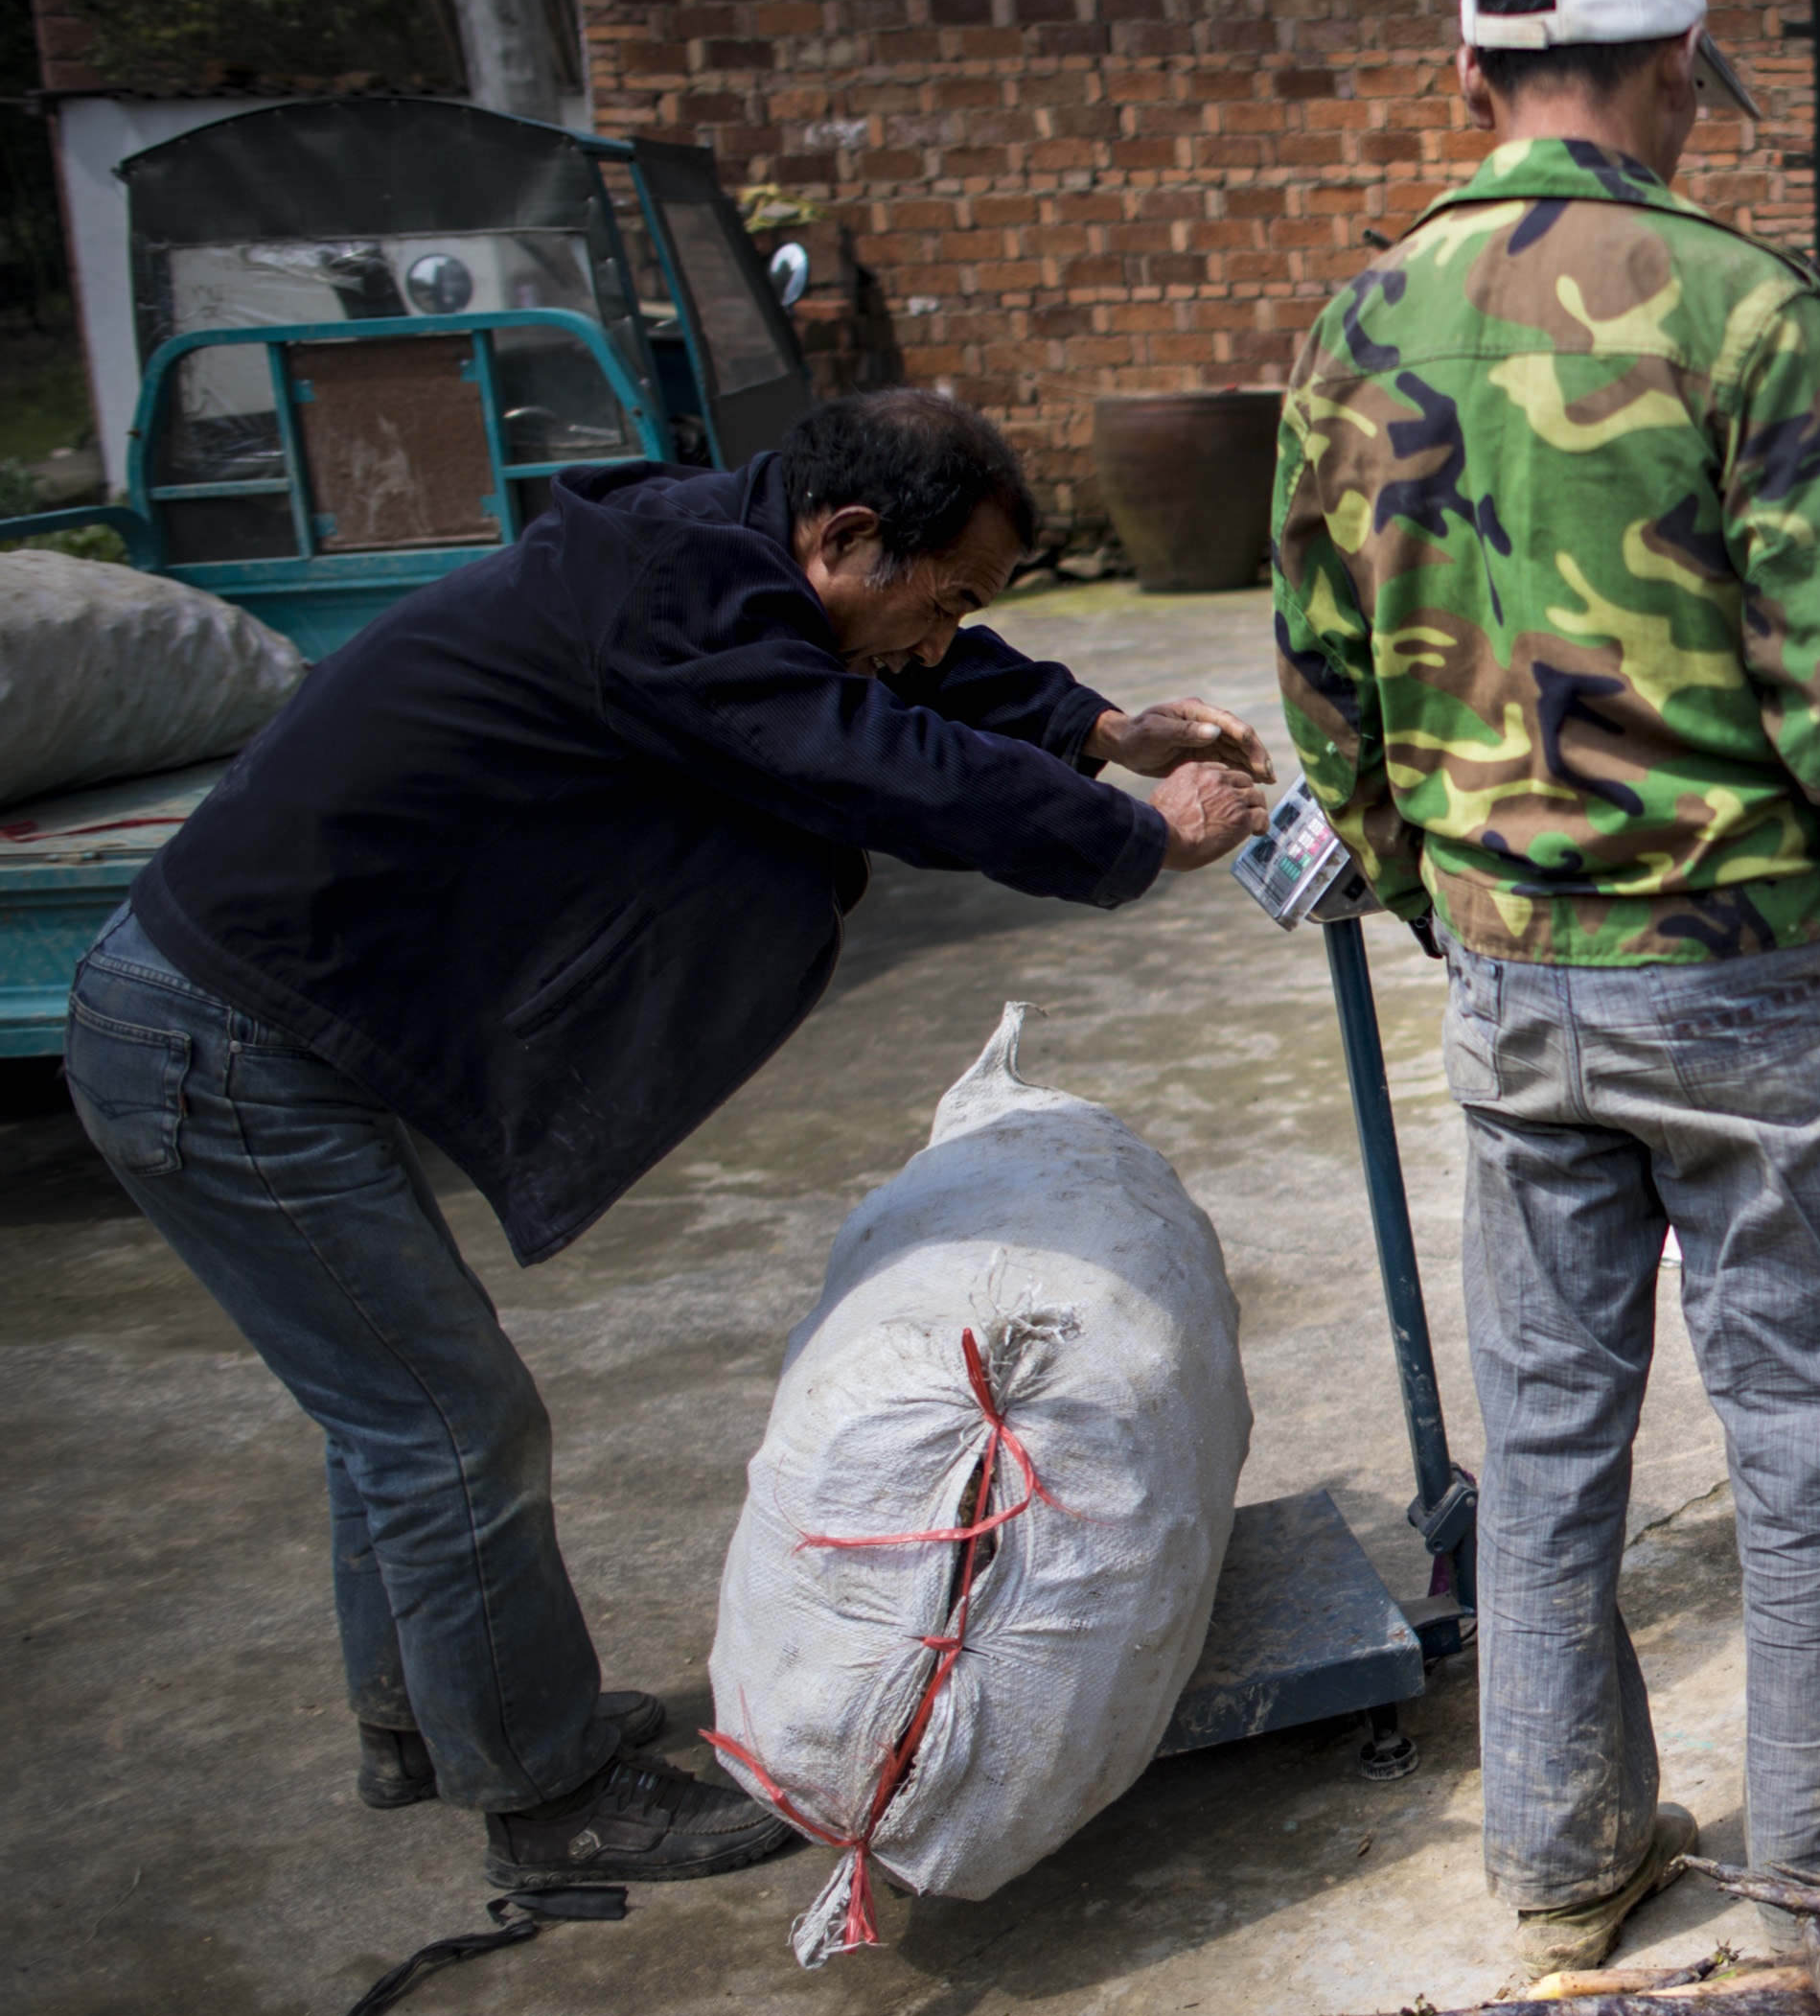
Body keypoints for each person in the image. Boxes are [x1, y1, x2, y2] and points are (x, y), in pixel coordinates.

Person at [63, 388, 1273, 1888]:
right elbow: (872, 752)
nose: (944, 631)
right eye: (944, 594)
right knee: (448, 1419)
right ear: (840, 534)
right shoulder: (675, 603)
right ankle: (542, 1790)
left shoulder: (719, 557)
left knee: (394, 1405)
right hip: (213, 1048)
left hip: (239, 1020)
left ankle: (429, 1721)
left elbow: (895, 673)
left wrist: (1094, 724)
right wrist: (1138, 835)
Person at [1272, 0, 1820, 1966]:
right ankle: (1809, 1892)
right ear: (1681, 71)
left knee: (1552, 1429)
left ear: (1471, 77)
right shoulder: (1752, 318)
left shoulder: (1356, 322)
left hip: (1516, 976)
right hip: (1753, 975)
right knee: (1812, 1434)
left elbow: (1323, 680)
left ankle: (1565, 1861)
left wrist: (1435, 897)